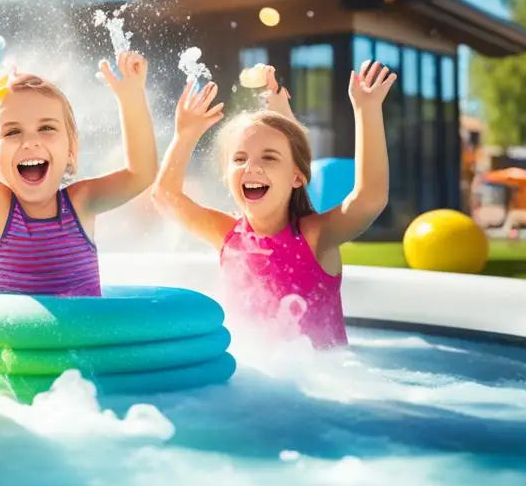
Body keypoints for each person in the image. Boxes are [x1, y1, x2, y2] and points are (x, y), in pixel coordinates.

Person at [150, 60, 397, 348]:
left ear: (297, 177)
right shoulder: (228, 235)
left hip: (321, 383)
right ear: (226, 174)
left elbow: (369, 199)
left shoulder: (315, 237)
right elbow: (165, 198)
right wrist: (185, 135)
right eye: (240, 159)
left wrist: (366, 110)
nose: (251, 168)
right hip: (251, 380)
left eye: (268, 158)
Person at [0, 49, 157, 296]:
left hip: (84, 333)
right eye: (12, 132)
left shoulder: (81, 203)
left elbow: (141, 174)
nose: (30, 141)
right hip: (12, 335)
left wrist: (132, 97)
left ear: (71, 149)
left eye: (46, 128)